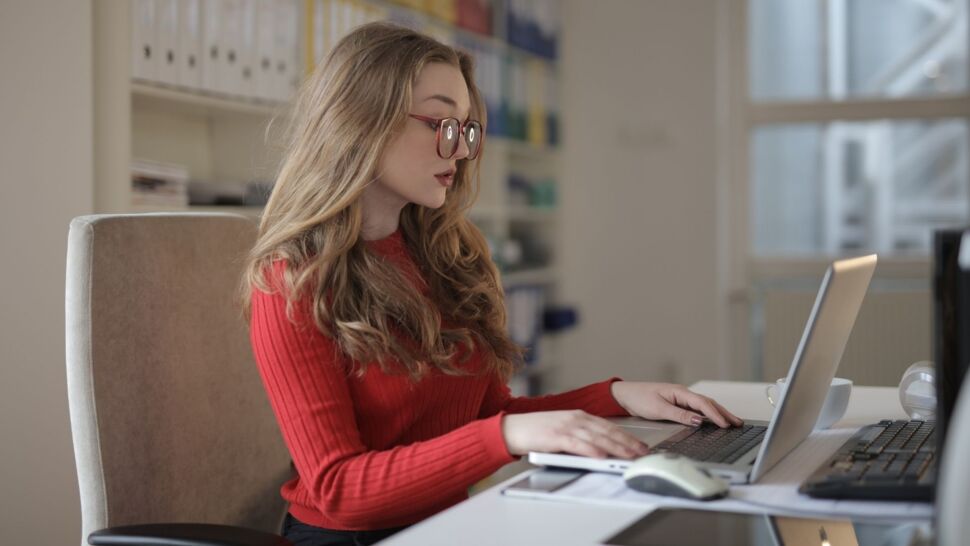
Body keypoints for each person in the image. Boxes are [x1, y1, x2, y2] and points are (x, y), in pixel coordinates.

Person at [243, 21, 742, 546]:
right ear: (362, 121)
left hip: (449, 526)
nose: (459, 151)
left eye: (466, 129)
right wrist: (504, 436)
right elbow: (338, 488)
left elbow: (485, 418)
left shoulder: (445, 255)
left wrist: (615, 396)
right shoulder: (291, 281)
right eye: (441, 123)